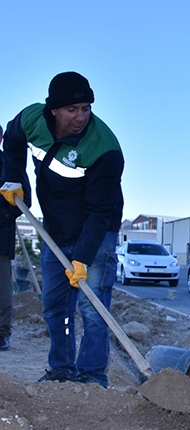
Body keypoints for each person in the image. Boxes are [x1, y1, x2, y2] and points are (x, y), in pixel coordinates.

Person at [1, 72, 124, 387]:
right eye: (72, 109)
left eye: (85, 108)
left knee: (93, 307)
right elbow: (12, 142)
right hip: (55, 229)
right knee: (56, 306)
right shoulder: (31, 120)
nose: (80, 117)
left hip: (97, 231)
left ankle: (93, 376)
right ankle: (62, 369)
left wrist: (83, 257)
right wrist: (13, 177)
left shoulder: (104, 148)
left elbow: (100, 212)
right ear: (53, 109)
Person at [0, 125, 31, 351]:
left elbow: (23, 200)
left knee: (2, 290)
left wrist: (2, 215)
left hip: (0, 237)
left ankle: (2, 333)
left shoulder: (8, 165)